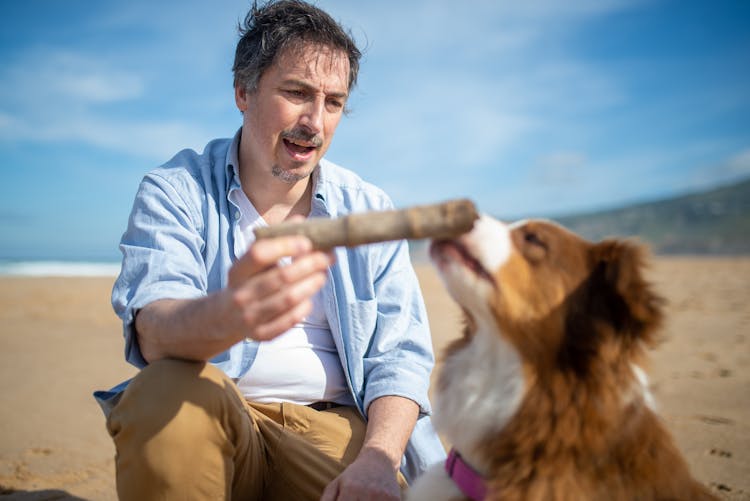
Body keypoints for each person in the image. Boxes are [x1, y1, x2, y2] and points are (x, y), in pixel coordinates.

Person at [94, 0, 446, 499]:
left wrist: (377, 460)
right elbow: (153, 331)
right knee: (163, 390)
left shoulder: (368, 210)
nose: (315, 122)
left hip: (334, 430)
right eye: (297, 92)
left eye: (333, 102)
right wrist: (230, 314)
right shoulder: (176, 190)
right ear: (244, 90)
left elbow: (400, 360)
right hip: (213, 414)